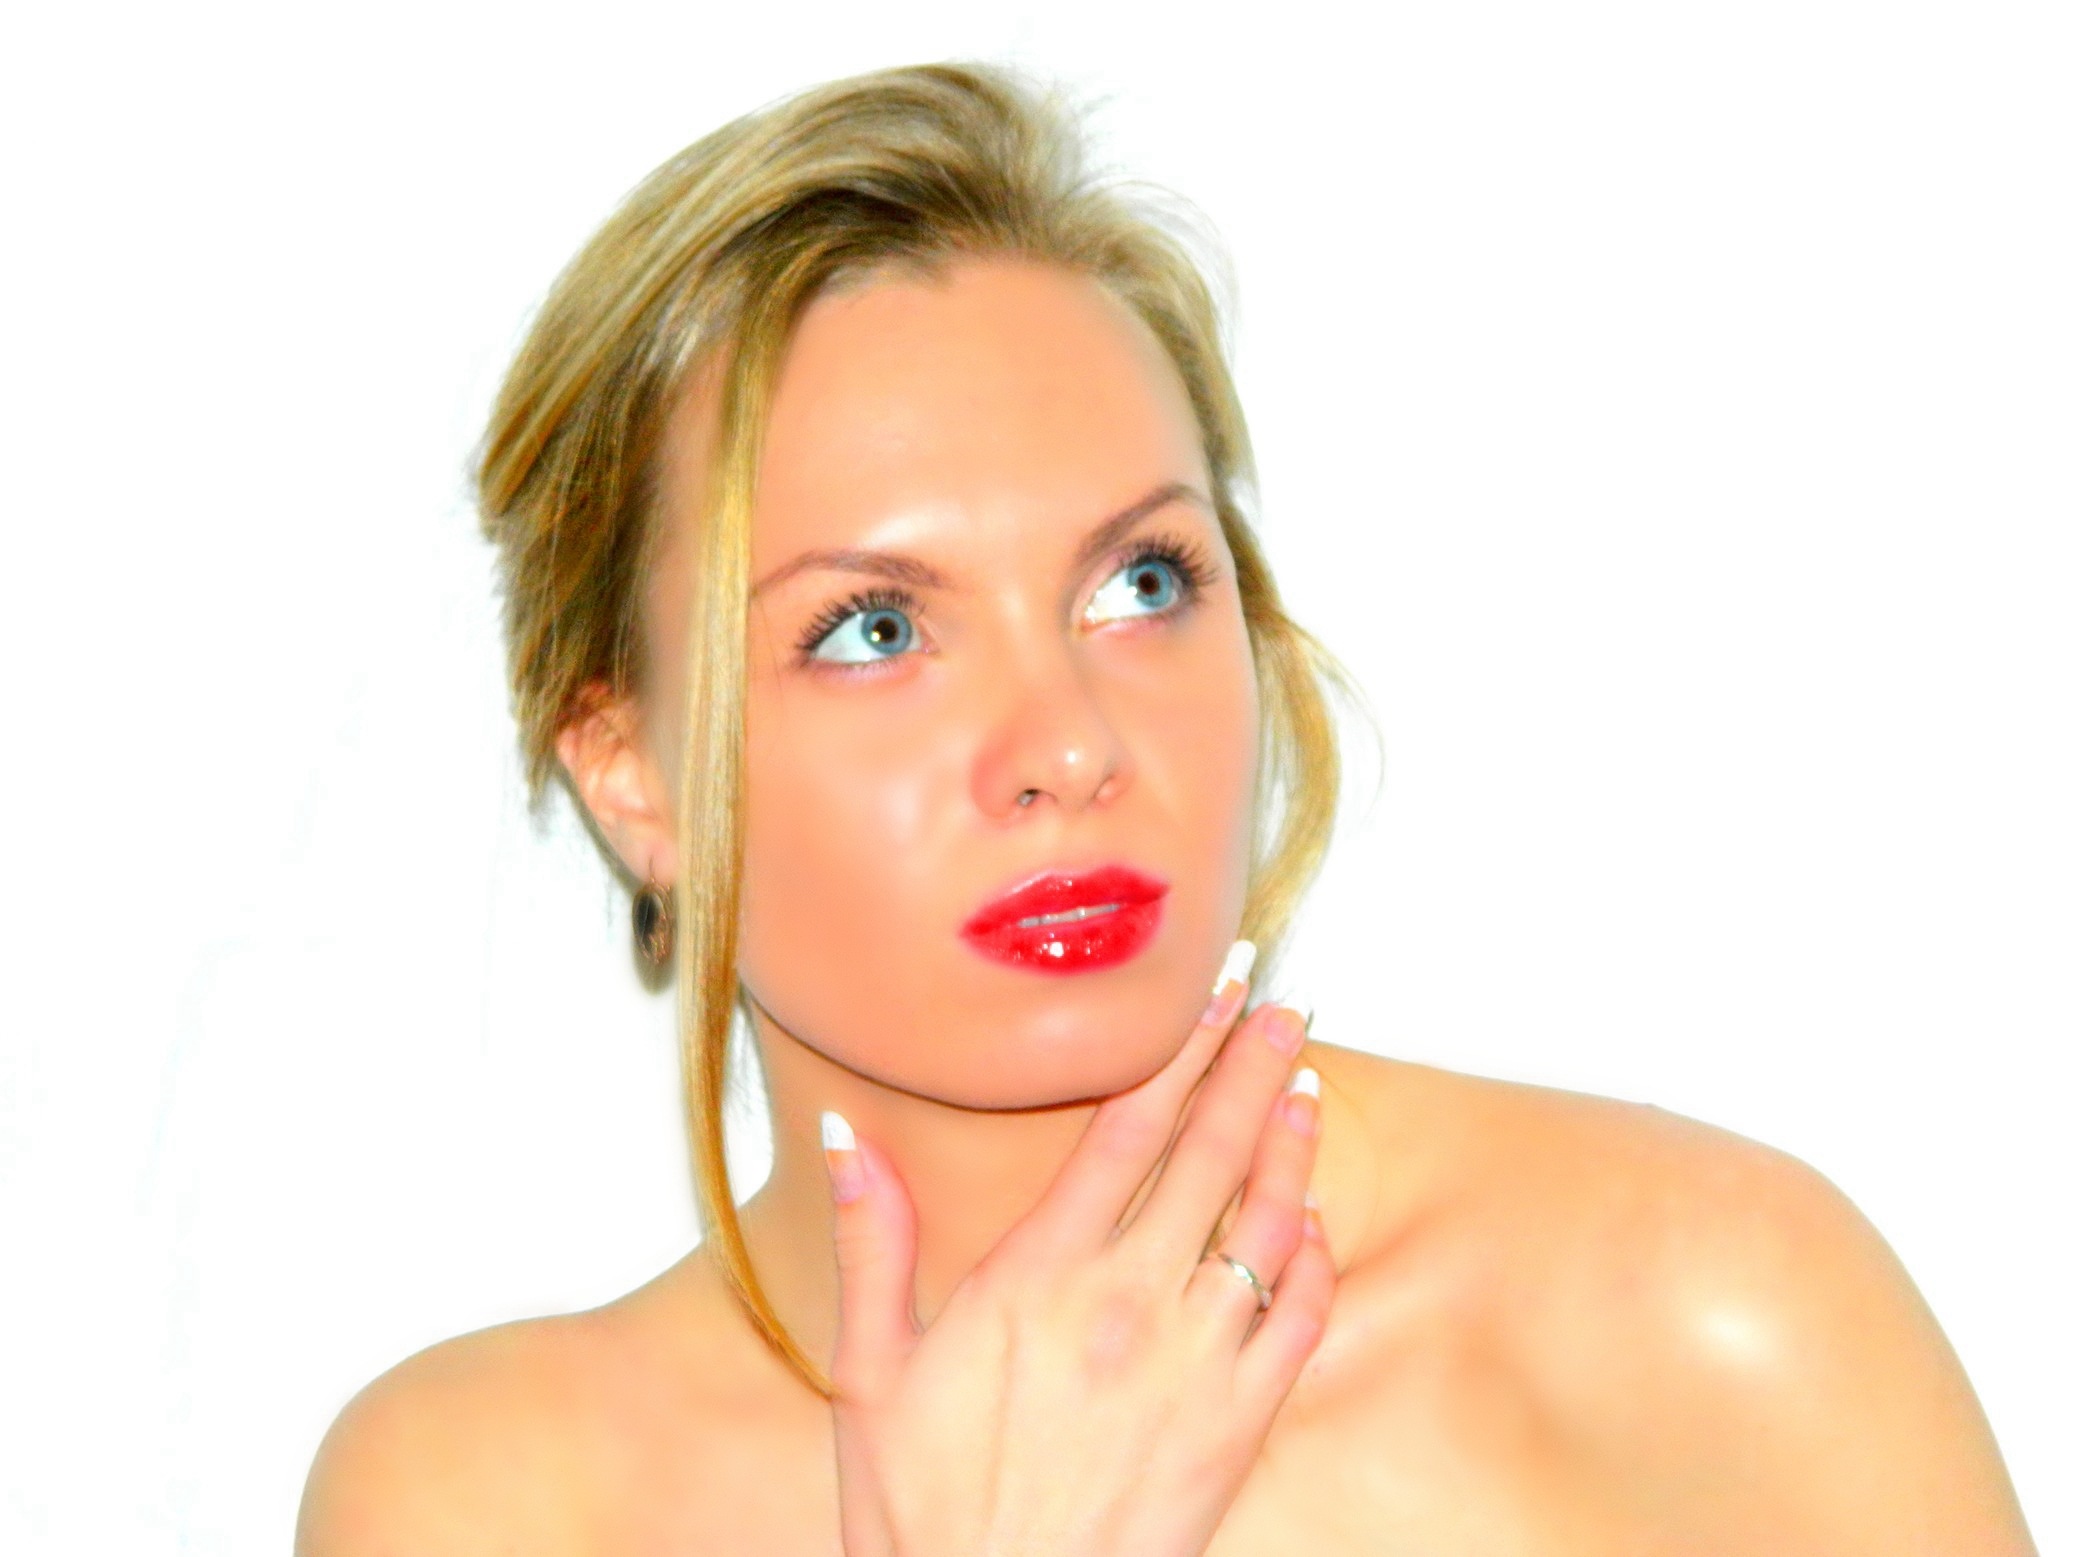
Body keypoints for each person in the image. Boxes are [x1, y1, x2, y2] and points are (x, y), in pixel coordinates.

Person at [295, 62, 2034, 1554]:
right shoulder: (483, 1498)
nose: (1067, 741)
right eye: (876, 627)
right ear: (629, 775)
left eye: (1139, 583)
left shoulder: (1701, 1321)